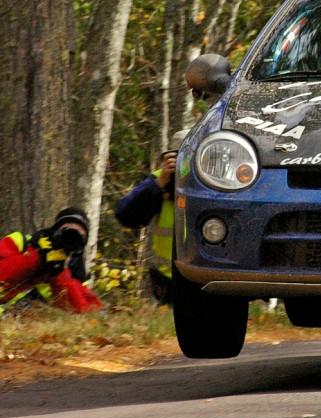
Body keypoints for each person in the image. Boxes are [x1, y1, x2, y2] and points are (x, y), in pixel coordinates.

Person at [115, 130, 188, 304]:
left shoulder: (215, 181)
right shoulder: (159, 181)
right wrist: (161, 183)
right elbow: (125, 214)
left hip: (206, 275)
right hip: (168, 279)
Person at [0, 208, 102, 314]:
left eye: (78, 236)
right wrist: (39, 257)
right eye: (68, 231)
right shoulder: (21, 242)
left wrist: (59, 271)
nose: (71, 237)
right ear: (55, 231)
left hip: (24, 324)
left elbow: (82, 311)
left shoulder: (75, 271)